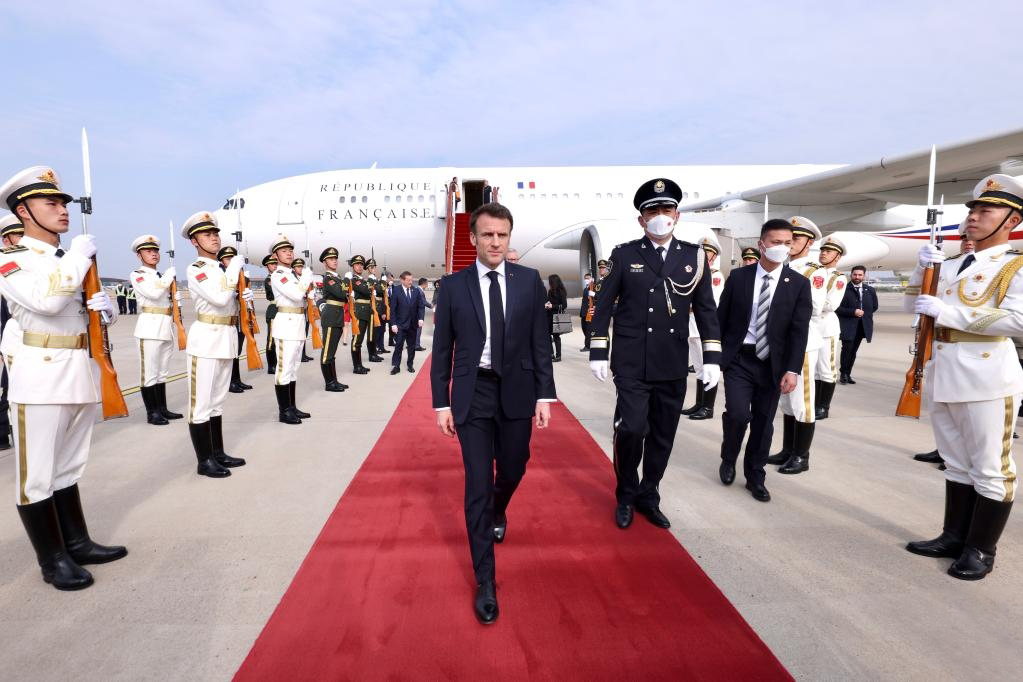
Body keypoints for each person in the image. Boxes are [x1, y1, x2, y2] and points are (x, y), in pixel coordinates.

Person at [0, 166, 126, 591]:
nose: (62, 209)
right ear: (24, 211)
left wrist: (101, 308)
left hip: (78, 369)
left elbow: (75, 311)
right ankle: (52, 561)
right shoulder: (11, 260)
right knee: (37, 473)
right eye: (51, 203)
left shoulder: (65, 261)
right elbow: (47, 301)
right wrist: (77, 258)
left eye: (63, 202)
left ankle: (77, 541)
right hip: (40, 375)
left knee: (69, 467)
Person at [431, 202, 556, 625]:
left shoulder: (528, 280)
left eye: (502, 235)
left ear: (509, 236)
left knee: (516, 467)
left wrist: (545, 395)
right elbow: (441, 350)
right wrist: (441, 402)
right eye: (487, 235)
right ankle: (486, 579)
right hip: (473, 393)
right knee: (478, 484)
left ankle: (501, 508)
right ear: (473, 239)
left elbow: (541, 342)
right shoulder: (452, 286)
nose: (495, 242)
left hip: (518, 391)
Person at [904, 173, 1023, 580]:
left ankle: (980, 549)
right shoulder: (952, 262)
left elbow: (1019, 321)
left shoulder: (1014, 265)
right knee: (955, 462)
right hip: (944, 367)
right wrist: (922, 275)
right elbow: (914, 307)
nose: (974, 216)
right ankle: (953, 535)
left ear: (1011, 220)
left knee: (991, 467)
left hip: (987, 374)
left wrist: (949, 312)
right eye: (972, 209)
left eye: (985, 210)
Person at [588, 178, 721, 530]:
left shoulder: (694, 256)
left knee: (663, 434)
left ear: (676, 214)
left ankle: (650, 494)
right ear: (641, 220)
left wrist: (712, 358)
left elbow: (706, 310)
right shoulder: (624, 254)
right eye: (652, 211)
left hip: (671, 361)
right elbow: (603, 306)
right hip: (631, 361)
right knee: (631, 429)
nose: (660, 216)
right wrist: (598, 350)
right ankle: (626, 494)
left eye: (666, 209)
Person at [716, 219, 811, 502]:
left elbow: (798, 331)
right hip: (739, 360)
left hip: (773, 364)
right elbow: (722, 319)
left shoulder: (798, 284)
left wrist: (792, 369)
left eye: (787, 243)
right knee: (737, 414)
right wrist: (713, 357)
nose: (781, 248)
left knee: (763, 422)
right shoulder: (739, 278)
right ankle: (728, 457)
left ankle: (755, 475)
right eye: (775, 242)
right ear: (761, 245)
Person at [183, 211, 249, 478]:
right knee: (201, 404)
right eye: (206, 234)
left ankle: (218, 453)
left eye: (215, 233)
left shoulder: (220, 269)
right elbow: (220, 298)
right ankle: (204, 461)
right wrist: (234, 268)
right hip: (206, 339)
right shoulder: (196, 269)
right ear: (194, 242)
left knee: (217, 402)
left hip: (225, 336)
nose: (213, 238)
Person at [766, 216, 825, 475]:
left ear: (809, 242)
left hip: (804, 342)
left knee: (803, 401)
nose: (790, 245)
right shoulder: (781, 267)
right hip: (781, 342)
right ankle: (788, 449)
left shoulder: (815, 271)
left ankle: (802, 455)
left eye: (796, 240)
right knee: (787, 402)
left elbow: (815, 307)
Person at [131, 234, 184, 425]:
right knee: (149, 374)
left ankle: (162, 409)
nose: (153, 254)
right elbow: (153, 294)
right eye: (148, 251)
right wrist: (169, 277)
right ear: (140, 255)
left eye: (155, 251)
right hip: (149, 328)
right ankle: (152, 413)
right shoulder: (138, 274)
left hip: (165, 326)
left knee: (162, 373)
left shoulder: (160, 276)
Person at [269, 236, 313, 424]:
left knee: (293, 368)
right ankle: (284, 411)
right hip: (286, 324)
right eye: (284, 251)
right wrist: (306, 279)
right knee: (284, 369)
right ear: (276, 255)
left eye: (290, 250)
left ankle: (292, 408)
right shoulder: (278, 275)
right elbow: (296, 295)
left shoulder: (292, 275)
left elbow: (301, 298)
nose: (289, 253)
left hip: (297, 323)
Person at [682, 234, 726, 420]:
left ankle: (708, 407)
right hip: (691, 327)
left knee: (708, 367)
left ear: (714, 257)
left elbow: (710, 302)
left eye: (707, 253)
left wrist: (684, 305)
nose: (703, 254)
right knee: (699, 368)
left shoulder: (715, 276)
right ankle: (699, 403)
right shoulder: (693, 272)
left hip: (703, 329)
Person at [814, 236, 848, 419]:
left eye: (828, 251)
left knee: (826, 368)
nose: (823, 253)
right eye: (822, 250)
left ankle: (823, 406)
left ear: (837, 257)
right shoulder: (814, 272)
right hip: (811, 326)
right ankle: (814, 402)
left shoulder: (838, 278)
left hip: (826, 327)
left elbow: (831, 304)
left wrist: (808, 302)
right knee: (813, 369)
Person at [0, 214, 24, 451]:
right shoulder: (5, 264)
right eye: (18, 234)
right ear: (6, 240)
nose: (23, 238)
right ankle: (4, 433)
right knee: (10, 387)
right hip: (12, 334)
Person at [217, 246, 253, 394]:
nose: (231, 261)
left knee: (237, 351)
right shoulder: (221, 275)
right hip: (226, 318)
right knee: (230, 352)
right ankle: (229, 382)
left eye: (233, 259)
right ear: (221, 261)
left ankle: (236, 379)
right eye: (227, 259)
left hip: (239, 317)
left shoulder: (240, 274)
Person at [836, 265, 878, 384]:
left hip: (862, 326)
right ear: (851, 275)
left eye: (860, 275)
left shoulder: (870, 290)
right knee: (847, 349)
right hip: (848, 325)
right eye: (855, 274)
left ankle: (848, 374)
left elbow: (874, 307)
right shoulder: (843, 289)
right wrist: (852, 312)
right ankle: (843, 373)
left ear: (864, 276)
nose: (857, 277)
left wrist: (864, 316)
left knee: (853, 351)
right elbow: (837, 307)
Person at [316, 247, 348, 392]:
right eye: (330, 259)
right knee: (327, 353)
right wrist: (346, 285)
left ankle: (334, 381)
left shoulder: (337, 278)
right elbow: (342, 294)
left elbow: (344, 292)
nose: (334, 261)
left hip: (337, 315)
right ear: (325, 262)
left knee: (332, 353)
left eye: (335, 259)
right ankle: (329, 383)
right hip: (331, 317)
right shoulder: (328, 278)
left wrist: (345, 287)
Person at [390, 270, 425, 374]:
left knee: (411, 346)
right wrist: (393, 324)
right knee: (399, 346)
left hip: (413, 325)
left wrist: (421, 318)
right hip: (400, 325)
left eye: (411, 280)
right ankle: (396, 366)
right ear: (402, 280)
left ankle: (410, 364)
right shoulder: (396, 290)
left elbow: (421, 306)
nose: (411, 282)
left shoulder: (415, 291)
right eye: (408, 280)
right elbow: (393, 309)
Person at [347, 255, 374, 374]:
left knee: (360, 340)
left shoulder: (362, 280)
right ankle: (356, 366)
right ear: (353, 266)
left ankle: (359, 365)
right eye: (357, 264)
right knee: (356, 340)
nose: (360, 266)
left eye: (361, 265)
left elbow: (370, 289)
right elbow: (367, 290)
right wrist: (370, 284)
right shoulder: (354, 279)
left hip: (366, 311)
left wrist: (369, 285)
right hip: (359, 311)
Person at [292, 258, 314, 362]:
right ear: (294, 268)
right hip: (297, 309)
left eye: (301, 267)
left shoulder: (305, 278)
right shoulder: (293, 279)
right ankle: (298, 355)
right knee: (298, 334)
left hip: (306, 309)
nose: (300, 269)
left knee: (304, 333)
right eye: (298, 267)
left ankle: (303, 354)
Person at [366, 259, 388, 358]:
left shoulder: (376, 280)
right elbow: (381, 289)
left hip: (380, 308)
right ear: (367, 269)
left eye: (374, 267)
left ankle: (379, 348)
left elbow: (383, 294)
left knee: (381, 330)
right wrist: (383, 281)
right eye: (371, 267)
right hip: (374, 309)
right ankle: (373, 351)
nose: (373, 269)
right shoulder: (370, 280)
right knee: (374, 332)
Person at [262, 255, 278, 374]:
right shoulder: (269, 280)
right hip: (273, 309)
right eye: (272, 264)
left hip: (281, 309)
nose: (275, 266)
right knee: (271, 340)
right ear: (267, 266)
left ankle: (277, 362)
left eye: (276, 264)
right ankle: (271, 365)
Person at [545, 274, 568, 362]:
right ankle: (551, 354)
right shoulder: (550, 291)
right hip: (549, 316)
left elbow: (564, 305)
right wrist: (547, 305)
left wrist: (552, 306)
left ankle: (558, 356)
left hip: (557, 316)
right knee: (547, 335)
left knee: (556, 337)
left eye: (550, 281)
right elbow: (549, 301)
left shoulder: (561, 291)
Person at [579, 272, 595, 351]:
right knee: (584, 329)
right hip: (584, 313)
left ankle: (588, 346)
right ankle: (590, 343)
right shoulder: (586, 288)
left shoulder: (593, 288)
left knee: (588, 330)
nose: (586, 280)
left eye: (588, 278)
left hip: (589, 312)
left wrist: (593, 294)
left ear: (591, 279)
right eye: (585, 279)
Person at [415, 277, 431, 351]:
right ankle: (416, 345)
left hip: (416, 313)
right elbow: (423, 302)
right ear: (424, 284)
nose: (427, 285)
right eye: (427, 284)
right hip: (419, 314)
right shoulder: (419, 291)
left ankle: (413, 344)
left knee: (415, 330)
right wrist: (432, 306)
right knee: (418, 330)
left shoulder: (417, 290)